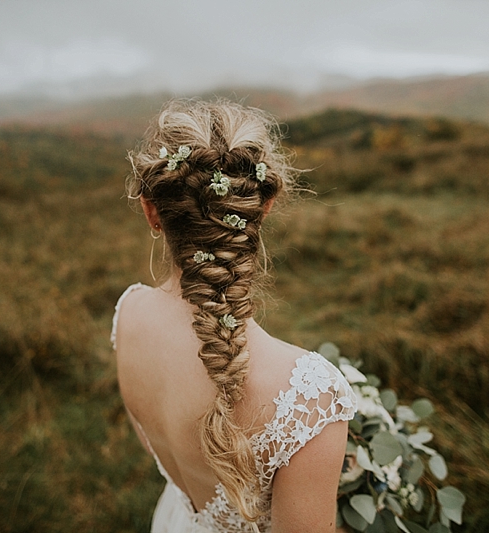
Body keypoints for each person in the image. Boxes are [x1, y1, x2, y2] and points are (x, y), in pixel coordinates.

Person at [112, 99, 357, 533]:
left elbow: (153, 444)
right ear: (265, 205)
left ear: (152, 211)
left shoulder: (128, 315)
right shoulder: (311, 400)